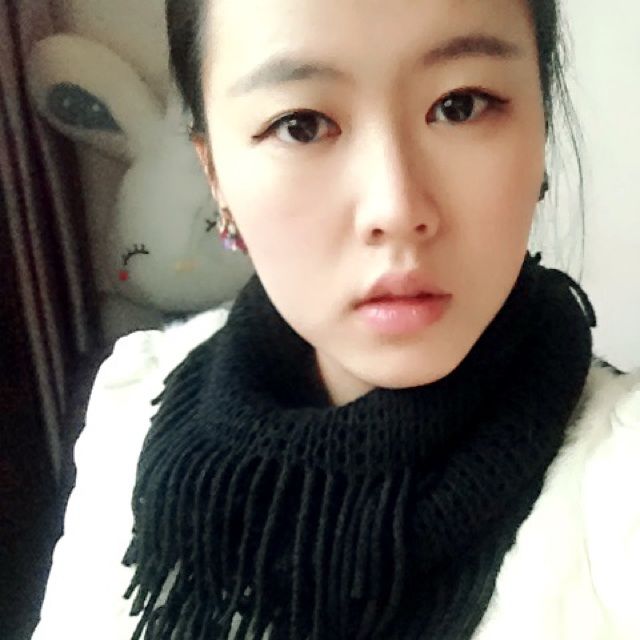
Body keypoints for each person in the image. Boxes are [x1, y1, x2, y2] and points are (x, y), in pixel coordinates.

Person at [33, 0, 640, 638]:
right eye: (301, 125)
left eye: (461, 106)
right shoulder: (135, 411)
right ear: (215, 174)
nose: (395, 208)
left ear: (541, 133)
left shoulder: (618, 489)